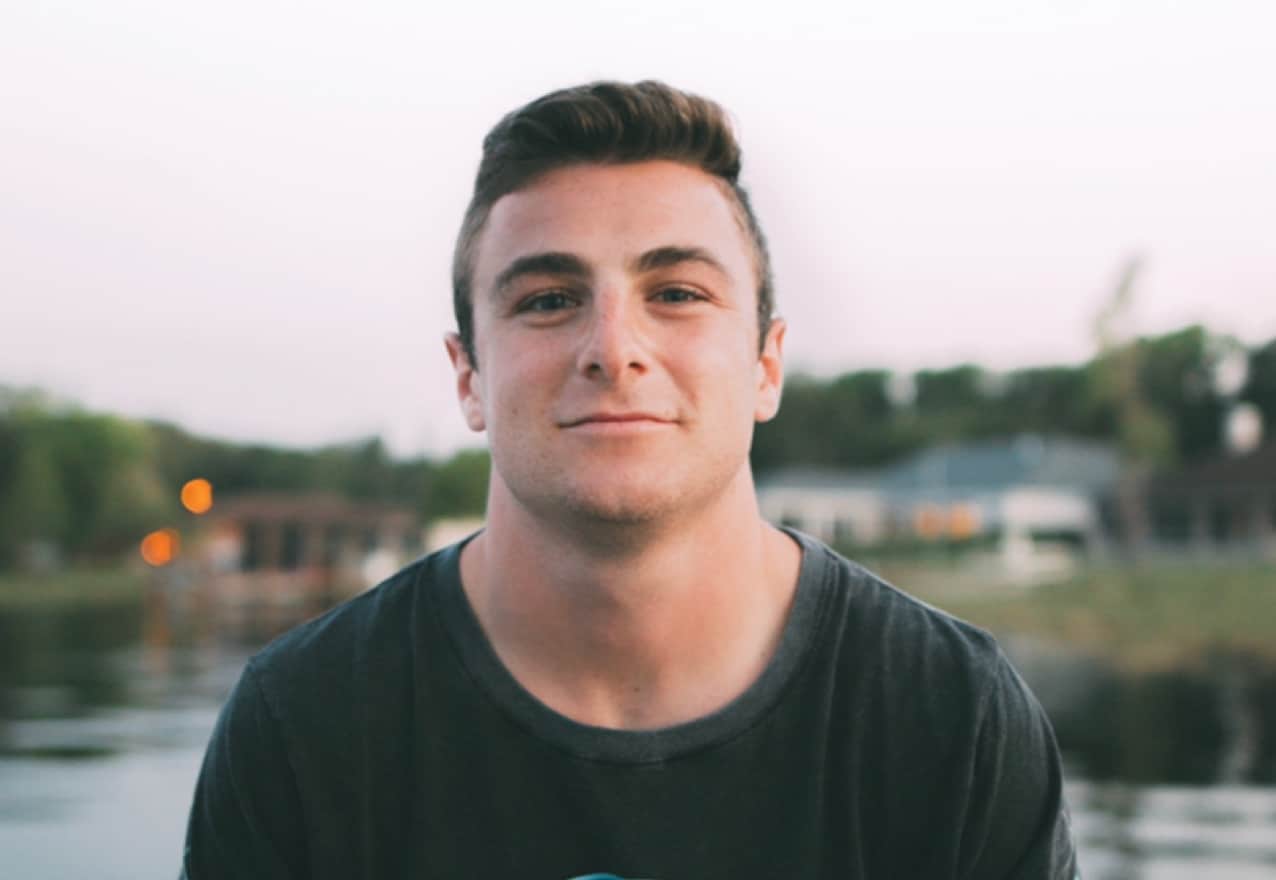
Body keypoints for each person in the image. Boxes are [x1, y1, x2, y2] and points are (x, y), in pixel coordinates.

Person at [182, 80, 1078, 879]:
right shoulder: (306, 724)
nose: (613, 349)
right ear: (469, 379)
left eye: (678, 293)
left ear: (766, 366)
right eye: (547, 300)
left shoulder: (950, 718)